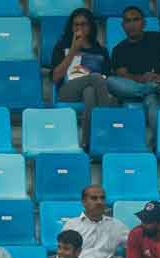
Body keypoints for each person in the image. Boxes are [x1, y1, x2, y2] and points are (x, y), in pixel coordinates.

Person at [50, 8, 115, 151]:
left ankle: (87, 144)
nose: (79, 28)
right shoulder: (61, 47)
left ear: (91, 27)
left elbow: (106, 78)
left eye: (83, 24)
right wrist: (73, 50)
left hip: (94, 91)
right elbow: (55, 78)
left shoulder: (100, 51)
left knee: (89, 92)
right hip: (67, 91)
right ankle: (105, 126)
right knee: (95, 78)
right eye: (76, 24)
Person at [107, 6, 160, 131]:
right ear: (123, 25)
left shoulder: (158, 38)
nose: (132, 24)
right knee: (110, 81)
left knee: (151, 101)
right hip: (134, 89)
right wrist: (143, 79)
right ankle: (154, 88)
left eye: (136, 20)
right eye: (128, 21)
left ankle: (158, 140)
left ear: (143, 23)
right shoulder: (119, 49)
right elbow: (123, 75)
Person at [60, 186, 129, 258]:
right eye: (94, 198)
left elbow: (134, 243)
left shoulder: (117, 226)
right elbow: (62, 254)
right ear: (83, 202)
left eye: (102, 198)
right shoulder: (72, 225)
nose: (99, 202)